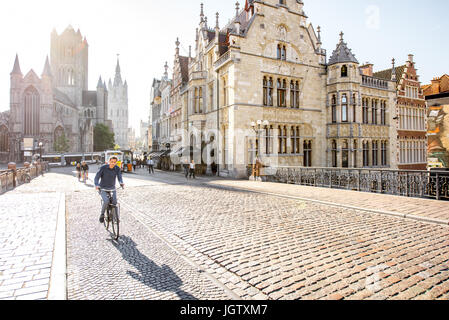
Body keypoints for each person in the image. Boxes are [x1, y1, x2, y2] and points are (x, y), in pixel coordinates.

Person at [94, 157, 125, 224]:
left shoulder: (117, 168)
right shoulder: (103, 168)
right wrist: (97, 185)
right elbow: (97, 177)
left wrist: (121, 182)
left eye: (114, 162)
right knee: (106, 201)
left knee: (115, 202)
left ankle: (115, 217)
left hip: (112, 188)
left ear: (116, 162)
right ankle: (102, 214)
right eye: (112, 161)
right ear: (109, 161)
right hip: (102, 188)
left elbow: (119, 177)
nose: (113, 163)